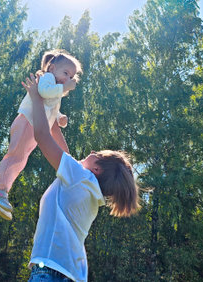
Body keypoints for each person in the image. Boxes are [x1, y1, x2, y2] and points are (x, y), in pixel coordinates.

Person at [22, 73, 140, 282]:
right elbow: (62, 150)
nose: (93, 151)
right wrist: (54, 118)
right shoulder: (86, 187)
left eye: (98, 154)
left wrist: (36, 99)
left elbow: (41, 136)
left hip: (50, 271)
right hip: (70, 275)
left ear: (97, 169)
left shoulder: (79, 177)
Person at [0, 50, 83, 220]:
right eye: (65, 73)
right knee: (16, 154)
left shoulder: (55, 89)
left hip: (33, 127)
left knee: (21, 160)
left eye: (71, 77)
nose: (67, 79)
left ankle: (4, 190)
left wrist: (60, 117)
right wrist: (64, 87)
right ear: (52, 68)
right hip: (27, 122)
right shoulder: (47, 78)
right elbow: (44, 93)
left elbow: (51, 106)